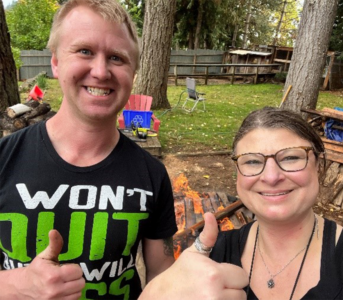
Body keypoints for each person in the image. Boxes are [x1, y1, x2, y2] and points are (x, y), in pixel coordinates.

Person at [0, 1, 248, 299]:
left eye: (117, 58)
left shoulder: (151, 174)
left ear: (133, 72)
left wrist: (184, 285)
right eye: (85, 51)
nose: (101, 71)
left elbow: (161, 271)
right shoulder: (5, 159)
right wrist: (13, 286)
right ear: (55, 62)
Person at [210, 107, 343, 300]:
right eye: (251, 162)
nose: (271, 177)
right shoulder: (211, 259)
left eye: (291, 157)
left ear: (318, 165)